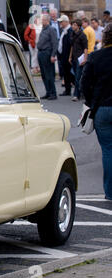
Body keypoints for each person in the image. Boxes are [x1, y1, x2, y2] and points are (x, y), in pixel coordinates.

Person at [80, 24, 112, 200]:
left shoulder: (96, 57)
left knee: (108, 150)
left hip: (102, 107)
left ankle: (110, 192)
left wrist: (92, 101)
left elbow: (84, 84)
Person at [37, 14, 58, 100]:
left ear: (47, 21)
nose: (42, 22)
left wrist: (53, 55)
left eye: (43, 20)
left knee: (49, 74)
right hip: (41, 52)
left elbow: (55, 43)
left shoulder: (51, 29)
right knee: (44, 74)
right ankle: (48, 92)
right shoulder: (43, 29)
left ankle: (53, 93)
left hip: (47, 53)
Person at [69, 19, 88, 102]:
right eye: (72, 24)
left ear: (78, 26)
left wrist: (85, 58)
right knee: (75, 76)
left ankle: (76, 95)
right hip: (74, 57)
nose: (73, 26)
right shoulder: (73, 34)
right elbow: (72, 46)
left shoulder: (82, 35)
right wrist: (70, 57)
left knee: (78, 77)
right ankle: (81, 93)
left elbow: (85, 48)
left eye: (74, 25)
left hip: (80, 58)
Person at [57, 15, 73, 96]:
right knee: (66, 73)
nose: (60, 23)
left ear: (66, 22)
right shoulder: (64, 30)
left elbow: (70, 45)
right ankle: (67, 89)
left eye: (61, 22)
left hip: (67, 56)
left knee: (69, 74)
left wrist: (69, 56)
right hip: (63, 55)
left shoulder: (69, 31)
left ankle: (69, 89)